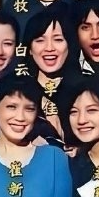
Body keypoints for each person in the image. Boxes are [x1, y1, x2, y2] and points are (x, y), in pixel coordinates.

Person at [19, 8, 83, 144]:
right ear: (29, 49)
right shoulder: (19, 92)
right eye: (40, 40)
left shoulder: (87, 89)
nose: (49, 48)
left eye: (58, 39)